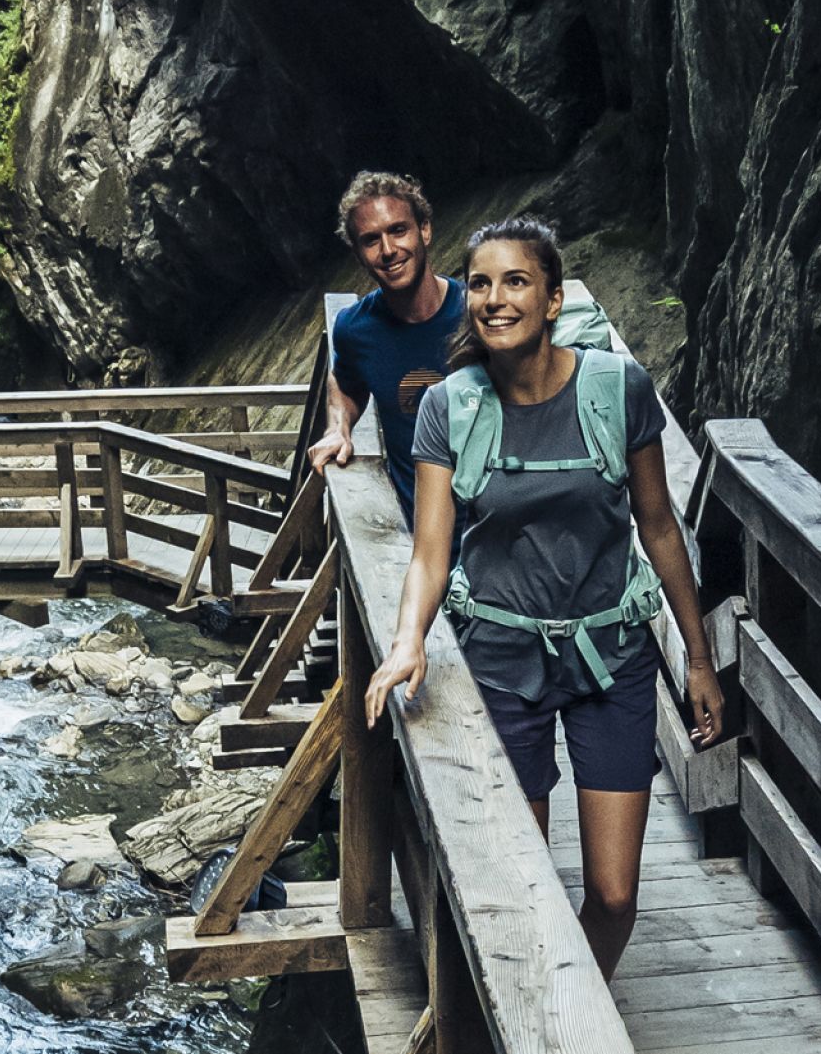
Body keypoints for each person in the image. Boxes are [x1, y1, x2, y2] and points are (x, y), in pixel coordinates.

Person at [362, 216, 726, 983]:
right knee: (526, 894)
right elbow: (431, 553)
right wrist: (407, 641)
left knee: (615, 893)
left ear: (554, 299)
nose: (496, 299)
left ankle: (568, 1013)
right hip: (498, 658)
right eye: (483, 284)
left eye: (516, 281)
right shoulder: (450, 406)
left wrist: (698, 658)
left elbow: (659, 527)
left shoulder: (615, 389)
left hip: (611, 654)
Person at [306, 172, 463, 520]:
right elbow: (345, 382)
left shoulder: (477, 314)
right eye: (371, 240)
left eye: (398, 230)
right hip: (419, 534)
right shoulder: (355, 329)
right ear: (359, 254)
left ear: (425, 230)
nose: (389, 250)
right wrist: (338, 428)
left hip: (496, 533)